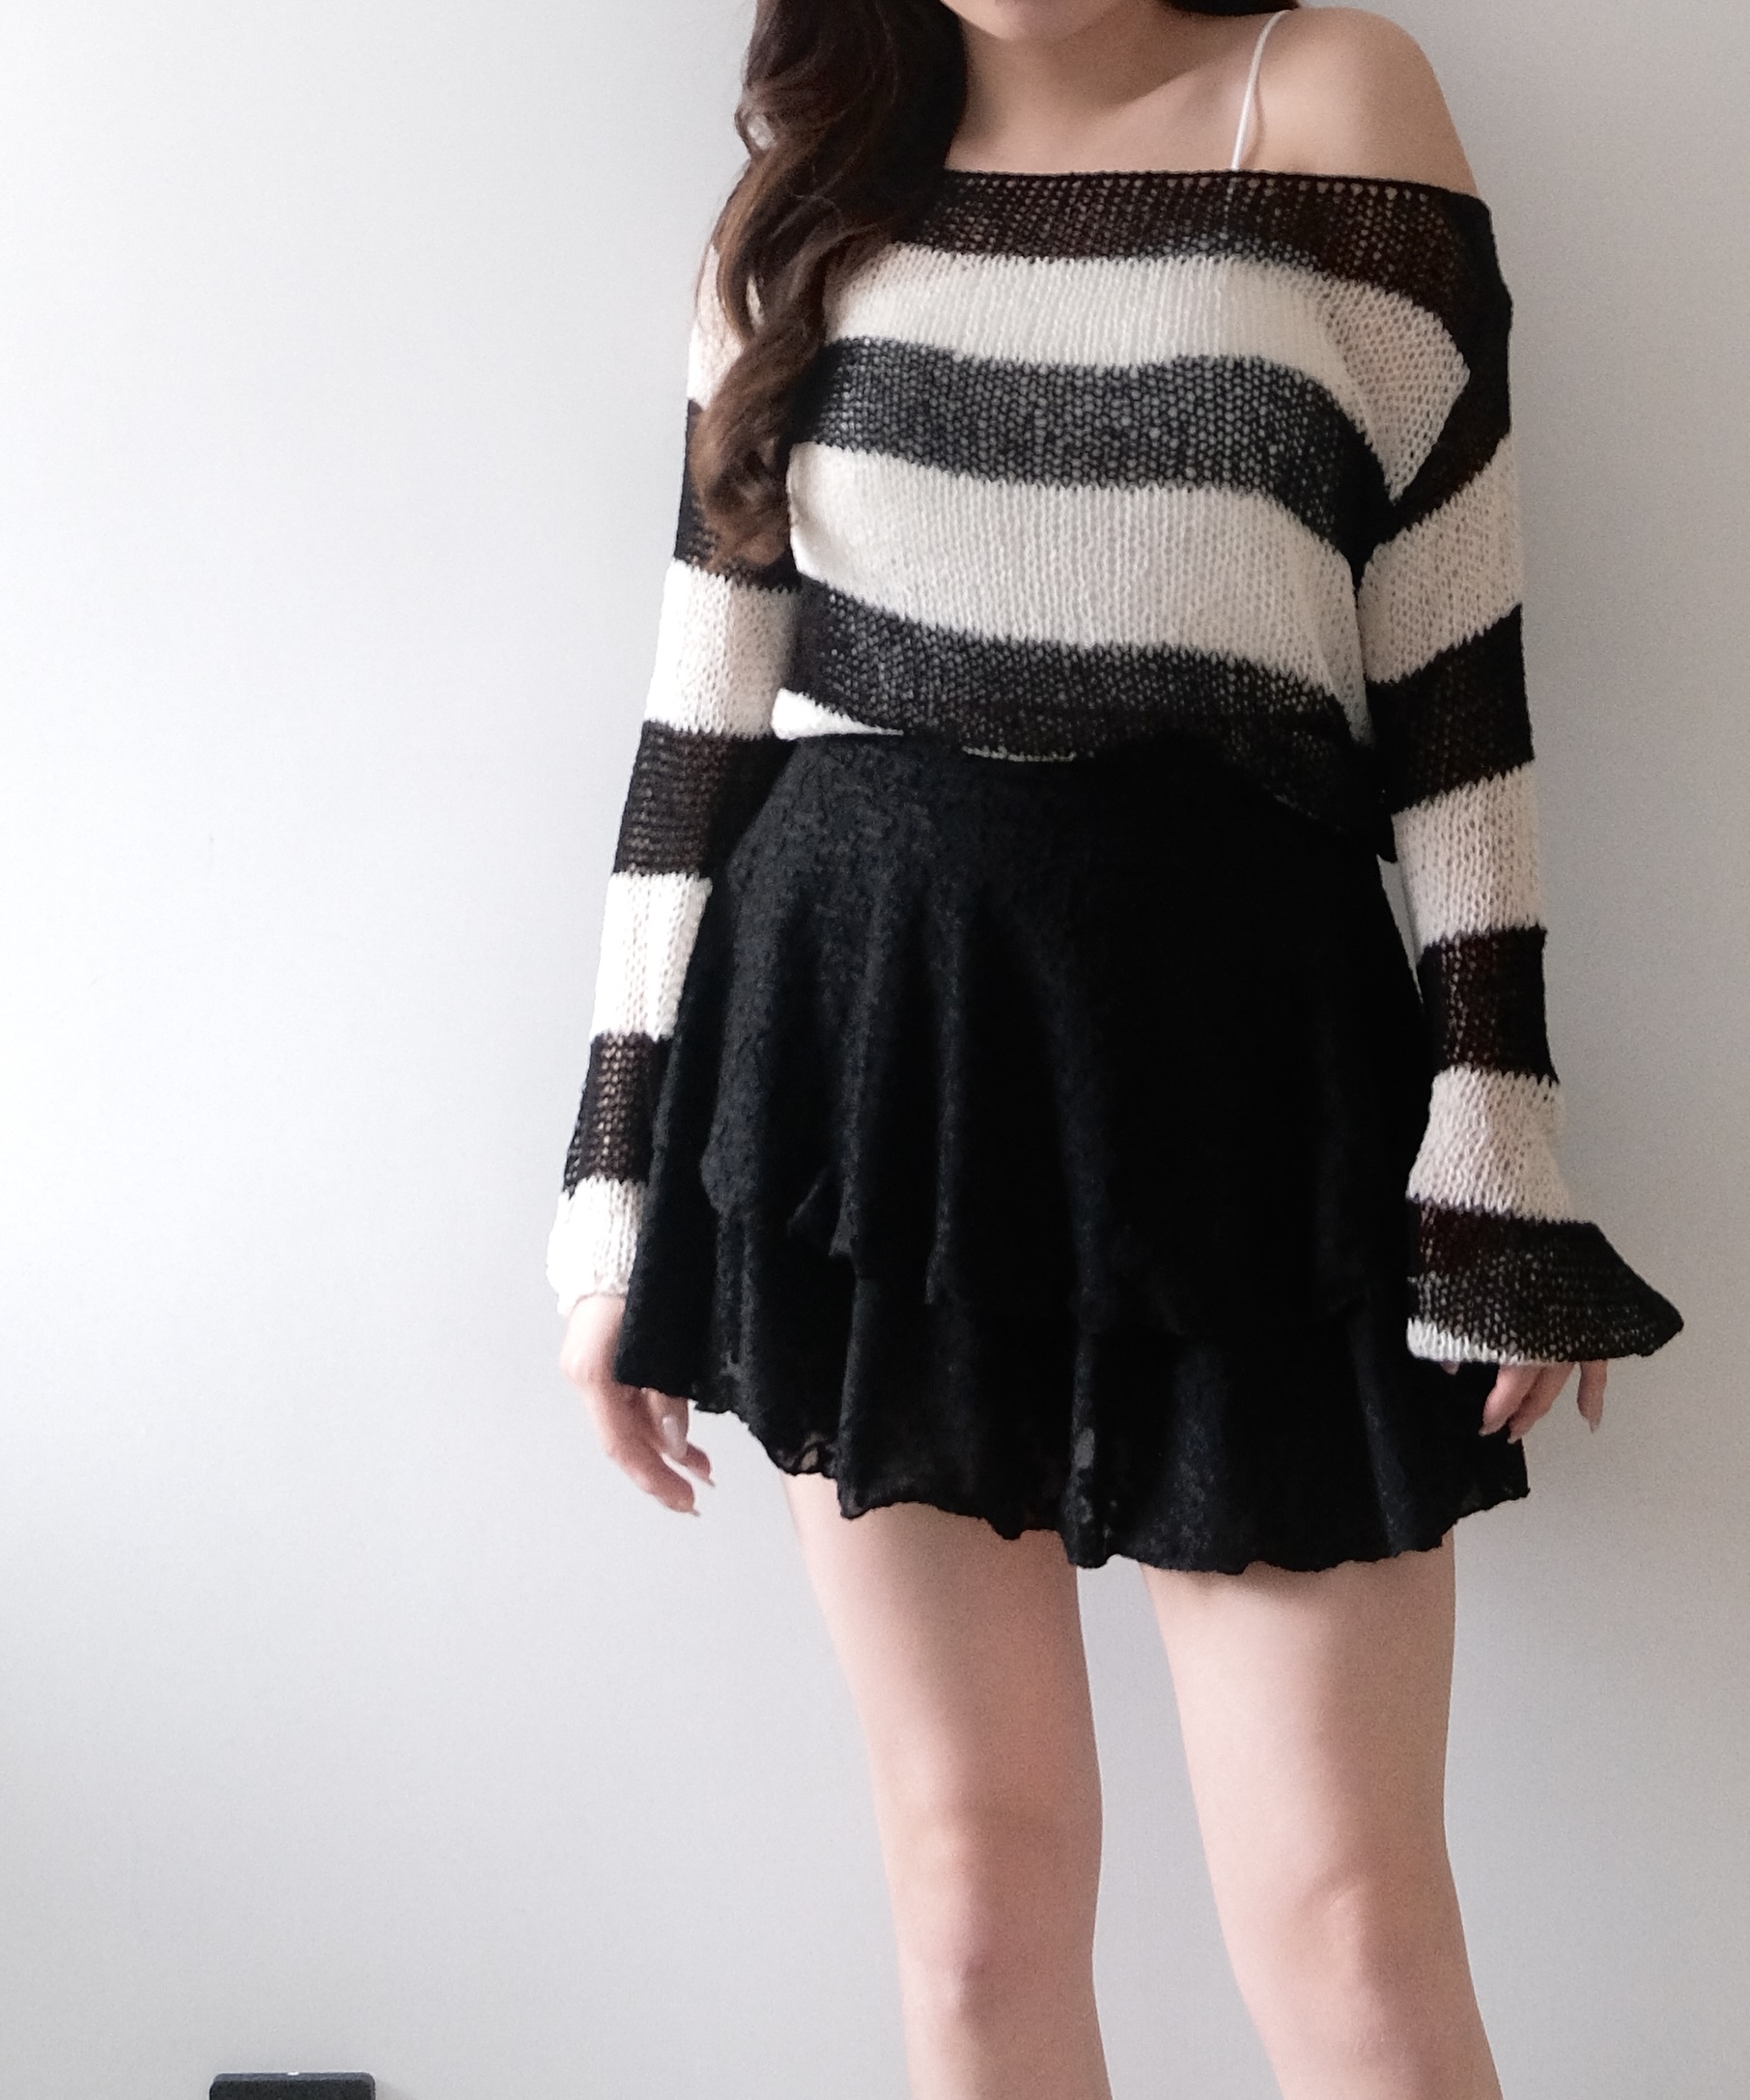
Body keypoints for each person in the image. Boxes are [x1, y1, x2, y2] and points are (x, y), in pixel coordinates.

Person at [550, 3, 1681, 2093]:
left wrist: (1497, 1132)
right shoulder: (803, 194)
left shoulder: (1329, 97)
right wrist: (610, 1195)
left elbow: (1454, 677)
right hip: (870, 1076)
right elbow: (696, 721)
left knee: (1346, 1928)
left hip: (1250, 1078)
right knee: (975, 1902)